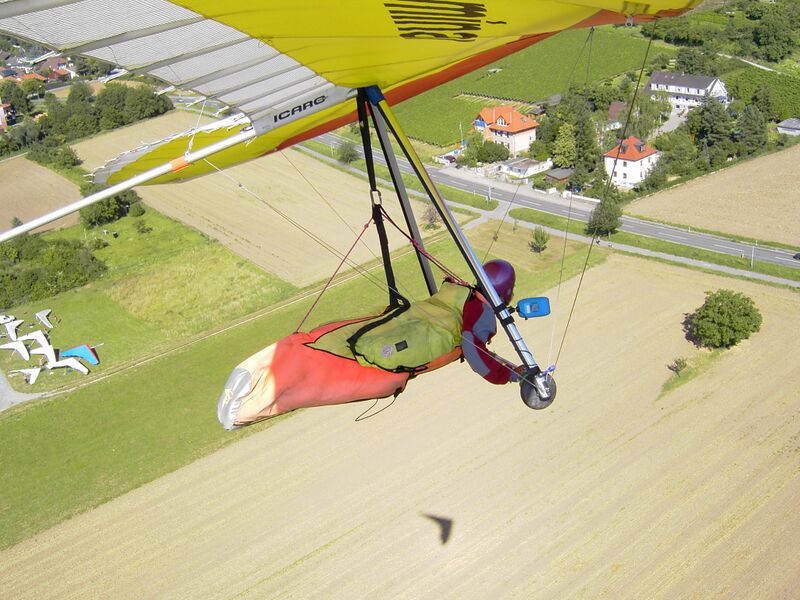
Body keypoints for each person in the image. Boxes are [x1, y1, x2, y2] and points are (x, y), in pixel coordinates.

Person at [217, 259, 523, 429]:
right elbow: (473, 349)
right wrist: (509, 374)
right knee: (341, 377)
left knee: (327, 340)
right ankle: (254, 400)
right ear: (505, 292)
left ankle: (264, 371)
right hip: (392, 361)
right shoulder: (480, 314)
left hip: (395, 324)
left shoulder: (458, 291)